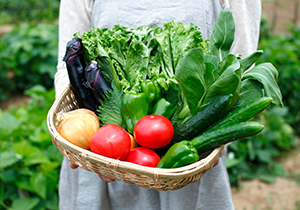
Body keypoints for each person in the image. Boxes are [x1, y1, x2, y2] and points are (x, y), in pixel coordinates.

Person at [54, 1, 262, 209]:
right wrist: (75, 141)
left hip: (189, 169)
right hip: (99, 157)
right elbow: (70, 62)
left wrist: (215, 142)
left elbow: (237, 69)